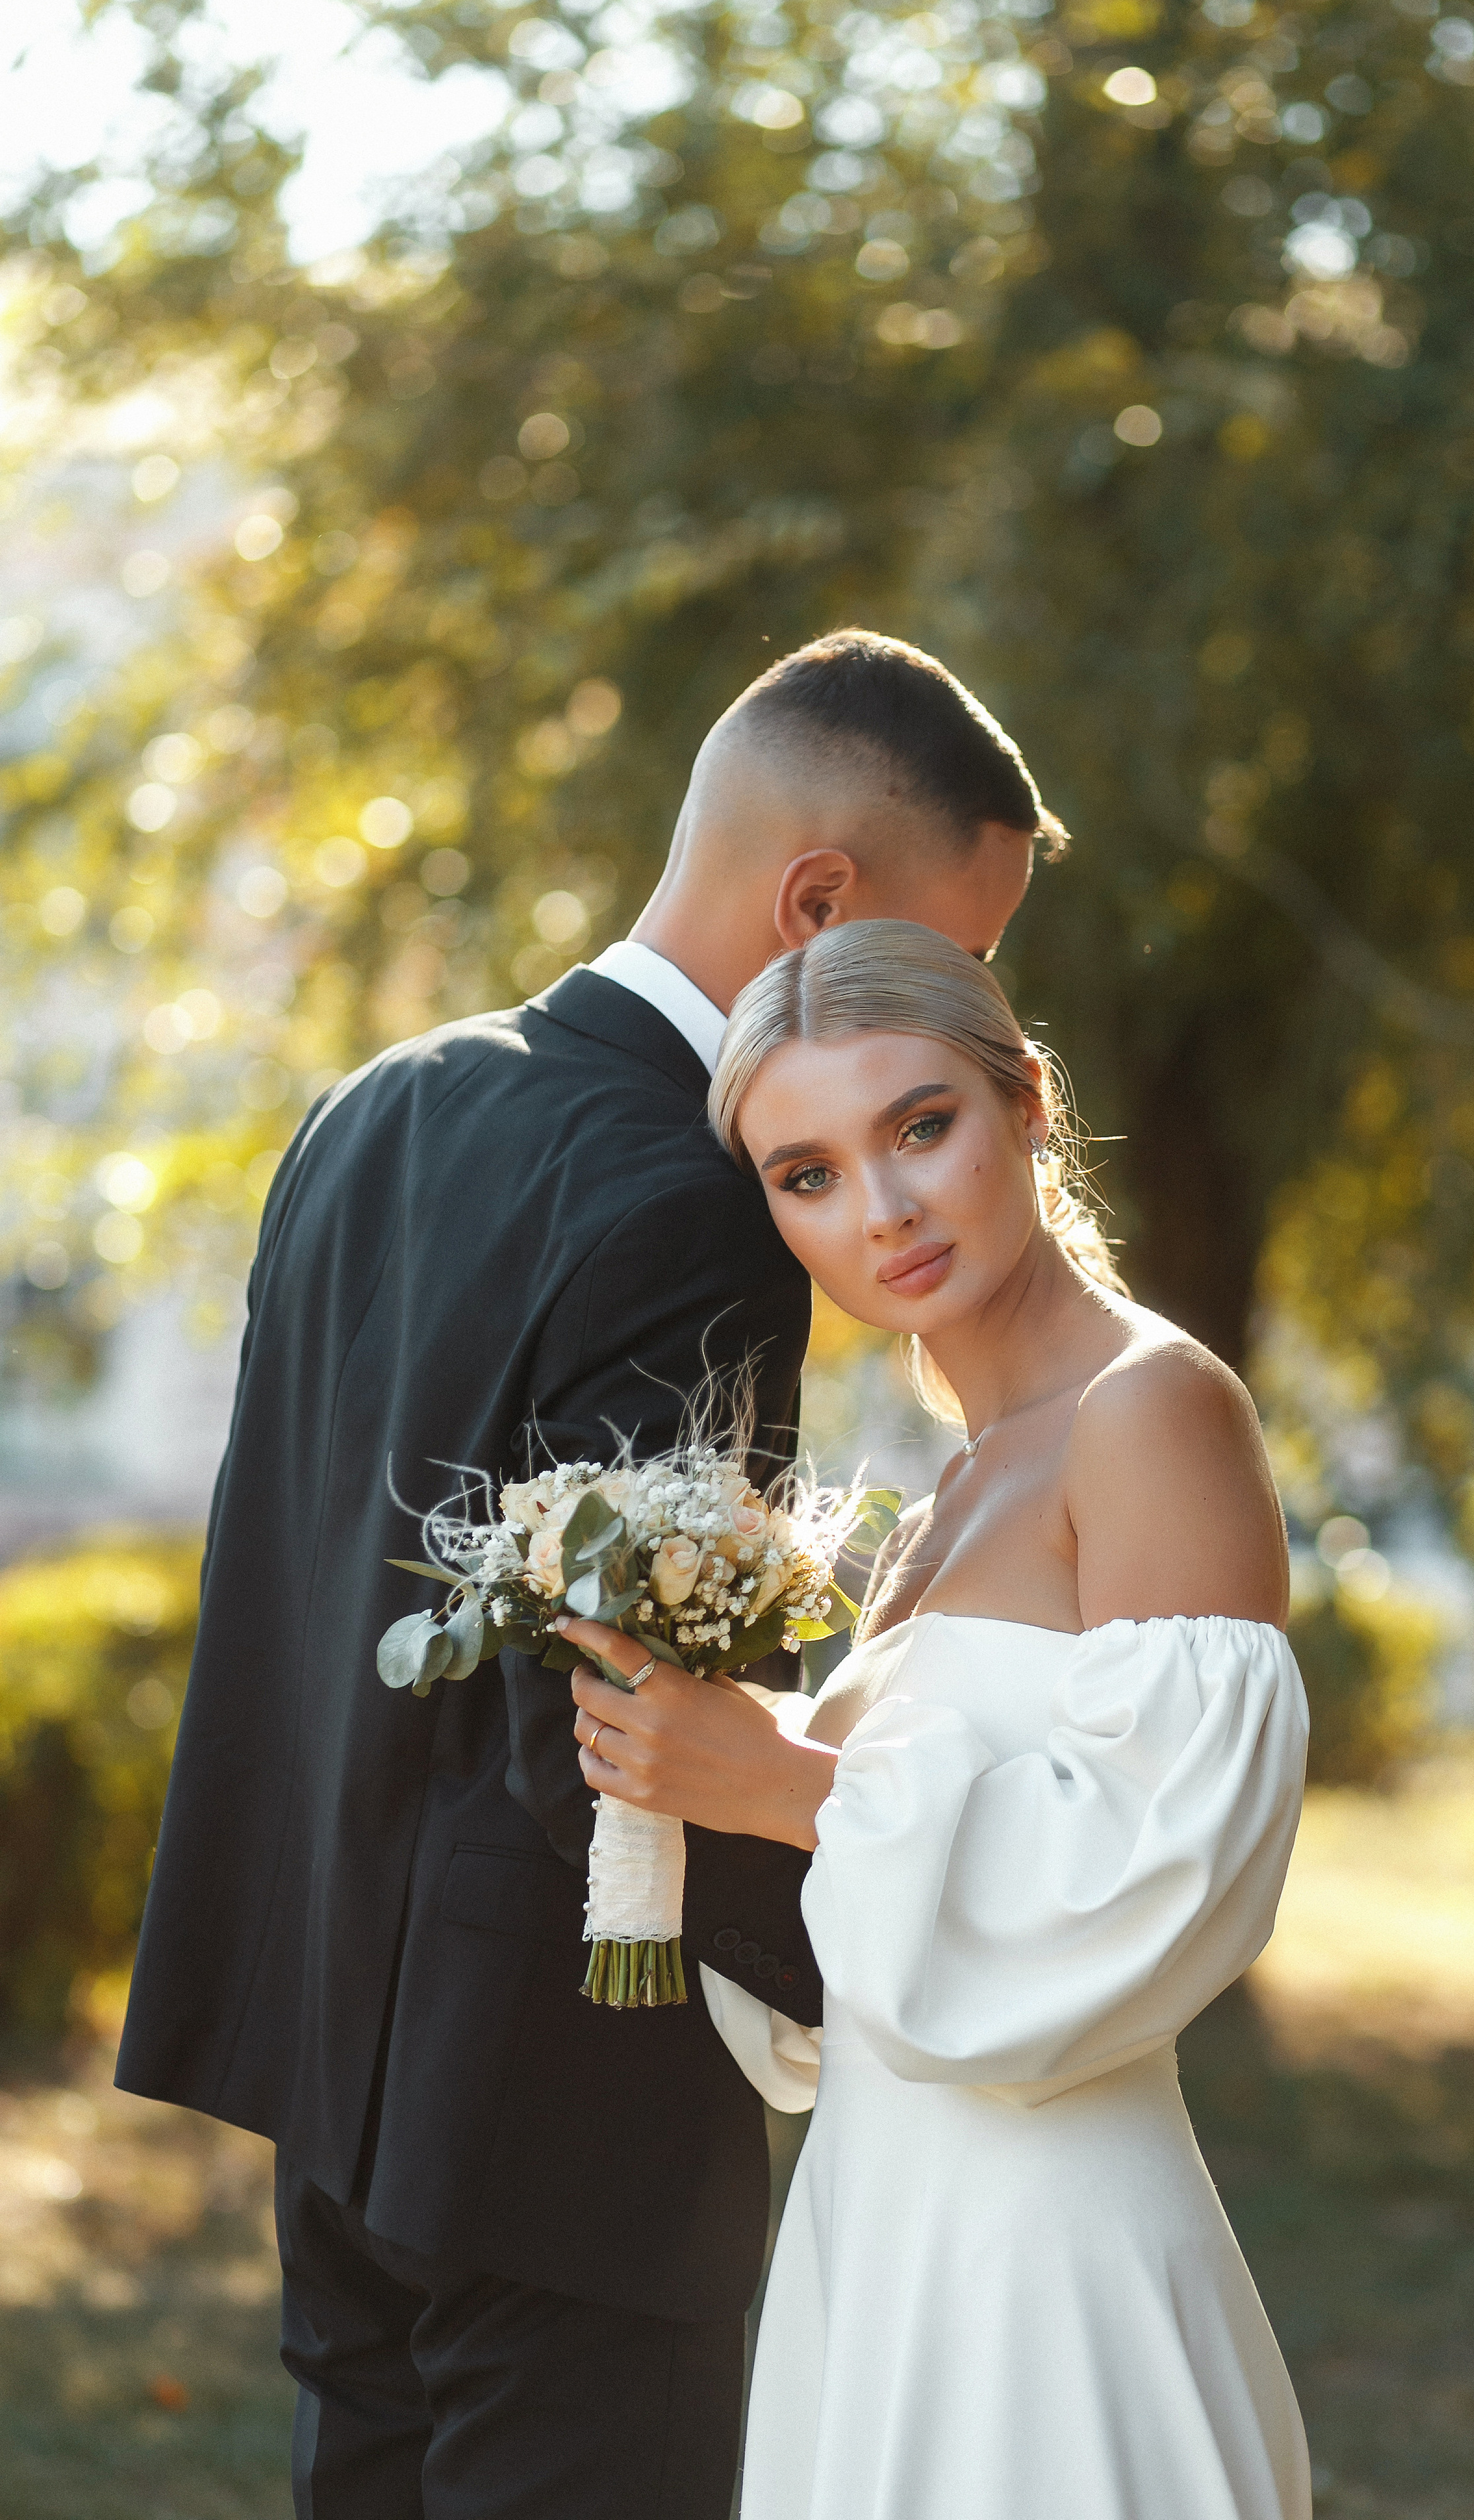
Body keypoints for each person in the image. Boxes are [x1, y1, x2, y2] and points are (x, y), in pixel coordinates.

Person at [115, 636, 1065, 2520]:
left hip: (332, 2070)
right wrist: (873, 1966)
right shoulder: (694, 1200)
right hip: (562, 2117)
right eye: (959, 956)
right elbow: (621, 1721)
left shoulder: (376, 1106)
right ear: (821, 903)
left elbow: (286, 1588)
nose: (959, 1007)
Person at [564, 918, 1313, 2520]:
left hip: (1048, 2267)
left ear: (1026, 1102)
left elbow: (1157, 1887)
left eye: (919, 1127)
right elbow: (865, 1957)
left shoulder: (1154, 1412)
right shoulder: (943, 1496)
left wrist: (791, 1789)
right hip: (875, 2234)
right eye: (807, 1173)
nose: (883, 1210)